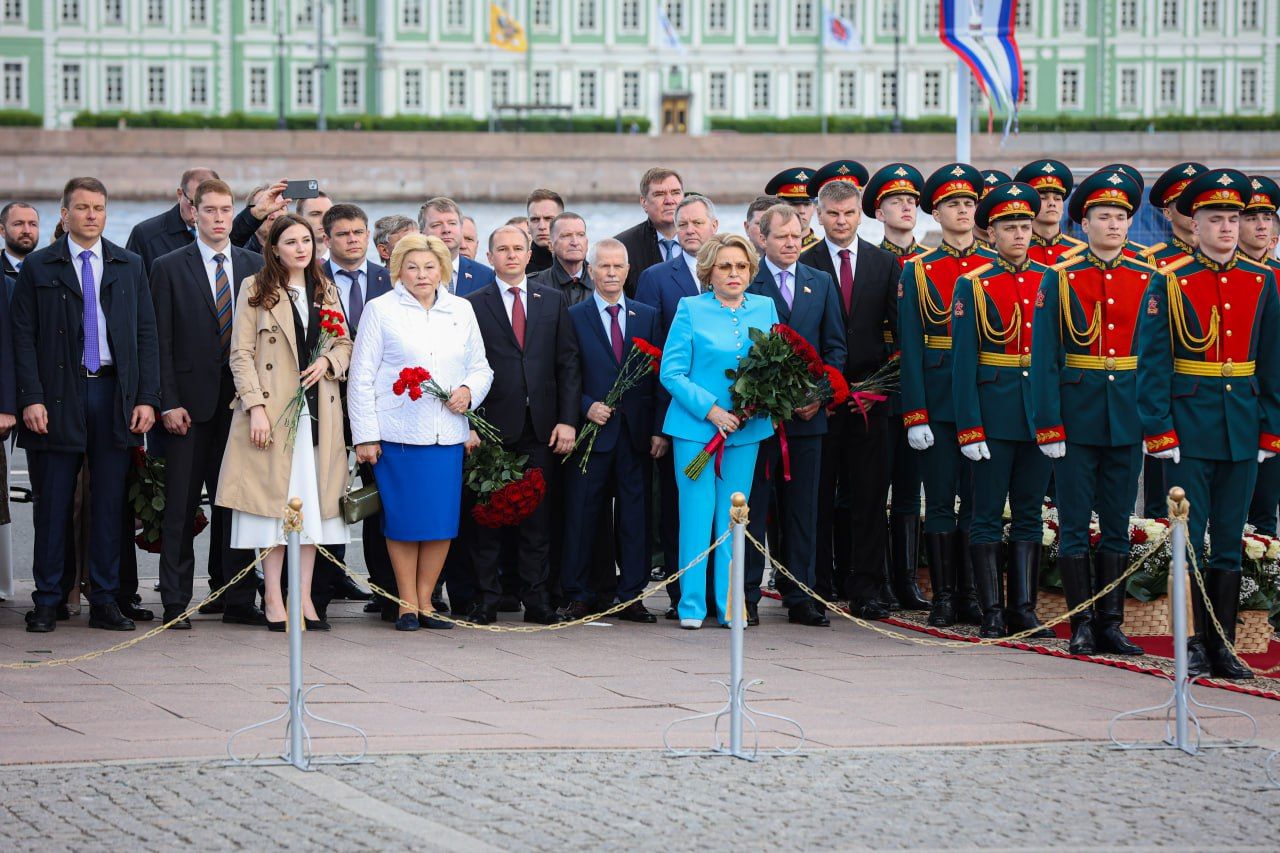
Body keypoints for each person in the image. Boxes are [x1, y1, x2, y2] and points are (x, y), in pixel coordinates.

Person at [1137, 168, 1280, 681]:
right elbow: (1152, 361)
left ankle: (1225, 643)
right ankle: (1194, 642)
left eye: (1233, 218)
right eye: (1215, 218)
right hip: (1189, 427)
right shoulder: (1170, 280)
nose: (1226, 227)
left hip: (1241, 424)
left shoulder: (1261, 280)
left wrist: (1270, 429)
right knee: (1190, 538)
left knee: (1229, 540)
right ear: (1194, 225)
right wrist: (1158, 428)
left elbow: (1271, 361)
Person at [14, 177, 161, 633]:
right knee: (54, 504)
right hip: (58, 396)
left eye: (98, 207)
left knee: (110, 505)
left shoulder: (128, 263)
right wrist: (31, 399)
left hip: (113, 393)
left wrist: (147, 398)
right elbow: (21, 337)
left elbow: (146, 335)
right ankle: (48, 600)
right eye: (82, 208)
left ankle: (104, 600)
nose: (92, 215)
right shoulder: (40, 267)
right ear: (65, 214)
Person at [1031, 167, 1150, 658]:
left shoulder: (1149, 276)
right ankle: (1081, 623)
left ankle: (1113, 623)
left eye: (1122, 216)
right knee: (1076, 521)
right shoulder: (1060, 277)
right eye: (1105, 216)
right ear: (1085, 223)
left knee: (1120, 522)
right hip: (1077, 415)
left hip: (1127, 414)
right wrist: (1049, 423)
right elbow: (1044, 358)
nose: (1115, 225)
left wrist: (1154, 419)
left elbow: (1156, 355)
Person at [215, 214, 353, 632]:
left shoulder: (325, 289)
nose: (300, 248)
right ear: (274, 247)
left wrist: (329, 361)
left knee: (313, 508)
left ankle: (304, 597)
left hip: (319, 412)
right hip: (273, 414)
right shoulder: (255, 289)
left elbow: (345, 342)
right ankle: (273, 597)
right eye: (290, 241)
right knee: (275, 507)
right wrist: (254, 407)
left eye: (306, 240)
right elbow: (239, 355)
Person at [349, 233, 493, 631]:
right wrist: (365, 435)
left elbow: (481, 367)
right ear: (399, 270)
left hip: (446, 435)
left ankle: (428, 599)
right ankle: (406, 603)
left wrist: (468, 393)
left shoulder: (461, 309)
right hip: (397, 435)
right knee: (402, 521)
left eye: (429, 266)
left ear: (443, 268)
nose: (421, 274)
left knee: (440, 522)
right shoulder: (381, 310)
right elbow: (360, 377)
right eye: (412, 267)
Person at [148, 178, 266, 628]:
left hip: (240, 405)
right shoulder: (167, 266)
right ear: (193, 212)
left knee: (235, 504)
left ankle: (236, 599)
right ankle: (176, 603)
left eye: (225, 210)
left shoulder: (255, 264)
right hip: (186, 409)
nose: (219, 218)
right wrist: (167, 403)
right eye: (210, 210)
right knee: (180, 507)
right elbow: (159, 340)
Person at [951, 182, 1054, 639]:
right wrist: (970, 427)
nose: (1019, 235)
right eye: (1009, 227)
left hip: (1037, 417)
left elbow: (1056, 358)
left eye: (1025, 226)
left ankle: (1025, 609)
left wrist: (1055, 420)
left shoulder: (1050, 280)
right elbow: (963, 364)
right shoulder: (972, 284)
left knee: (1031, 512)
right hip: (992, 414)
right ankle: (992, 609)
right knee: (988, 512)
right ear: (990, 234)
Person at [464, 224, 580, 625]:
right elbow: (465, 368)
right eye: (503, 249)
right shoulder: (472, 304)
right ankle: (487, 599)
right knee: (487, 518)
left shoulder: (552, 301)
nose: (511, 255)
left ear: (531, 255)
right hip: (493, 428)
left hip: (542, 427)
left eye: (518, 249)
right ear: (489, 257)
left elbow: (567, 364)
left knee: (537, 520)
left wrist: (568, 421)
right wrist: (472, 425)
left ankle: (538, 599)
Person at [662, 233, 777, 629]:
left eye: (741, 266)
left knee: (734, 521)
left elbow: (775, 366)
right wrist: (711, 411)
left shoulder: (765, 308)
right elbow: (671, 372)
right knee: (695, 517)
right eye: (725, 266)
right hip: (696, 430)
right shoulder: (690, 308)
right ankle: (692, 606)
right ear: (709, 271)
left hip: (746, 430)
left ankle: (730, 606)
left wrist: (756, 405)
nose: (734, 273)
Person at [898, 163, 994, 629]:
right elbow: (911, 347)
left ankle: (973, 594)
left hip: (984, 397)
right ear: (936, 212)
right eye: (953, 204)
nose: (962, 211)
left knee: (979, 502)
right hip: (937, 399)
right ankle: (943, 596)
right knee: (938, 500)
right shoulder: (919, 270)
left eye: (969, 203)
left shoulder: (992, 266)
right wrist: (915, 413)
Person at [746, 200, 846, 627]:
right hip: (758, 420)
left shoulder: (819, 281)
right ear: (762, 239)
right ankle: (747, 594)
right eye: (781, 237)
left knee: (804, 510)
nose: (791, 243)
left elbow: (835, 347)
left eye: (796, 236)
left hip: (807, 420)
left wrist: (819, 396)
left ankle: (801, 594)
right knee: (751, 508)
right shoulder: (747, 282)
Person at [560, 238, 663, 623]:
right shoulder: (573, 315)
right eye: (604, 266)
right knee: (584, 516)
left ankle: (630, 595)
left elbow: (656, 379)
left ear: (628, 270)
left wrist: (658, 431)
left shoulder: (647, 316)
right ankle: (579, 592)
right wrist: (586, 405)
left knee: (635, 518)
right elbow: (565, 373)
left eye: (618, 266)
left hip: (635, 436)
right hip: (591, 435)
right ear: (591, 270)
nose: (612, 273)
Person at [634, 193, 719, 617]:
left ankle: (726, 595)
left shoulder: (737, 273)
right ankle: (680, 595)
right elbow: (652, 357)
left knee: (726, 511)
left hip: (733, 420)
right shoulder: (655, 277)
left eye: (698, 223)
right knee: (678, 509)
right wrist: (658, 425)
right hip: (679, 416)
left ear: (713, 226)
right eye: (683, 224)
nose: (690, 230)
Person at [863, 162, 930, 611]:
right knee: (876, 484)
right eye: (896, 201)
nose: (906, 207)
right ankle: (880, 576)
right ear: (879, 211)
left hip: (921, 381)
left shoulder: (930, 262)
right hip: (882, 382)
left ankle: (908, 578)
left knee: (911, 485)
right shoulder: (871, 261)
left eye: (912, 201)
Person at [321, 202, 392, 606]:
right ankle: (326, 583)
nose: (352, 240)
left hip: (377, 408)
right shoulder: (311, 280)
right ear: (327, 239)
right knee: (327, 494)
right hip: (325, 402)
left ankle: (383, 589)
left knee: (376, 497)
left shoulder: (390, 280)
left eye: (358, 232)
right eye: (344, 234)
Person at [1243, 177, 1280, 535]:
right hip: (1235, 403)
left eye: (1267, 216)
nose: (1260, 224)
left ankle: (1265, 585)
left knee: (1267, 508)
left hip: (1275, 404)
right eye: (1251, 216)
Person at [126, 167, 219, 272]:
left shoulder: (227, 233)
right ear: (180, 194)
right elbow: (129, 282)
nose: (197, 212)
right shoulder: (144, 235)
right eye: (192, 203)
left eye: (208, 207)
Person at [617, 167, 684, 296]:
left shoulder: (705, 243)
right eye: (659, 194)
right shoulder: (622, 247)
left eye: (675, 192)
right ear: (644, 202)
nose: (670, 201)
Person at [1015, 160, 1086, 267]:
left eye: (1057, 199)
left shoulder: (1080, 251)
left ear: (1063, 208)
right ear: (1030, 206)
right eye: (1043, 198)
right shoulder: (1015, 250)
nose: (1052, 203)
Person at [419, 197, 496, 296]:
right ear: (422, 234)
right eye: (436, 225)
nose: (446, 229)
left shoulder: (486, 276)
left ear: (460, 228)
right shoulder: (411, 273)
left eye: (452, 223)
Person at [1141, 162, 1208, 271]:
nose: (1193, 210)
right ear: (1167, 213)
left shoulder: (1221, 256)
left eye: (1199, 204)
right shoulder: (1152, 260)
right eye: (1184, 204)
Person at [528, 211, 594, 306]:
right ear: (551, 246)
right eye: (566, 235)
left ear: (587, 243)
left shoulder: (602, 282)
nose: (575, 242)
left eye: (580, 235)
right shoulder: (534, 285)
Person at [767, 167, 828, 252]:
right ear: (780, 206)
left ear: (814, 207)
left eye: (807, 204)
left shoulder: (826, 253)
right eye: (794, 204)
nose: (802, 211)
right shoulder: (769, 251)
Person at [526, 188, 564, 274]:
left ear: (563, 222)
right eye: (535, 219)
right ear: (528, 226)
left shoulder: (581, 266)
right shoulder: (518, 270)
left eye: (549, 219)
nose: (542, 226)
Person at [1, 201, 39, 281]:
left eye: (33, 224)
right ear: (2, 230)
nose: (27, 231)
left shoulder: (50, 268)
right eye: (18, 224)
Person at [297, 192, 333, 263]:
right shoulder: (287, 263)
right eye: (315, 214)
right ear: (299, 218)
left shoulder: (349, 262)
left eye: (329, 214)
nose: (324, 220)